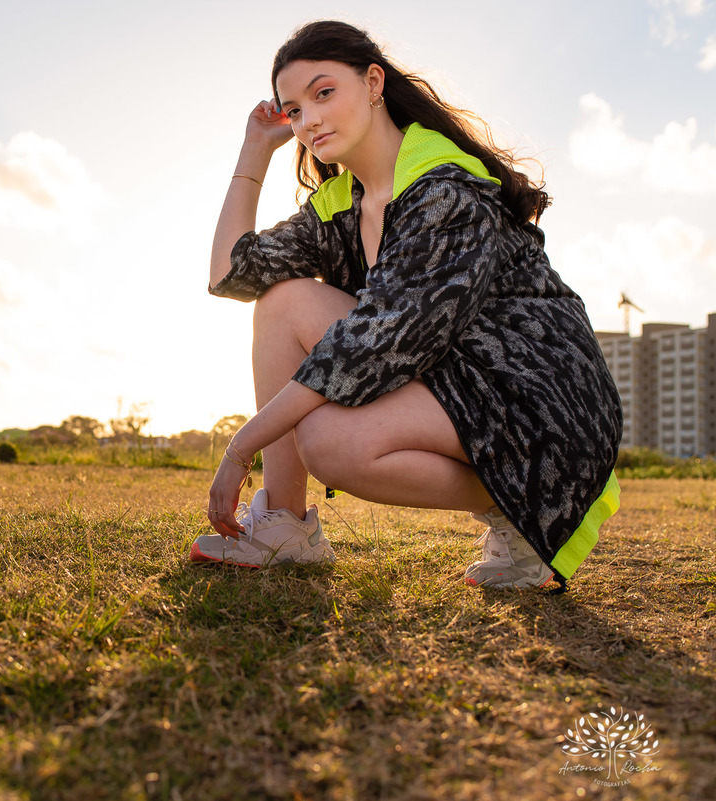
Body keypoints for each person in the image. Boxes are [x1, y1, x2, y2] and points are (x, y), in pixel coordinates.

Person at [190, 20, 622, 591]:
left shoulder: (444, 191)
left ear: (373, 83)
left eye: (324, 93)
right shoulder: (343, 206)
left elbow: (375, 346)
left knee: (333, 444)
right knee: (280, 300)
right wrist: (254, 150)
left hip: (540, 403)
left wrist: (241, 446)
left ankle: (533, 507)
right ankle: (284, 528)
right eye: (293, 110)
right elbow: (230, 273)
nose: (309, 119)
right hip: (457, 379)